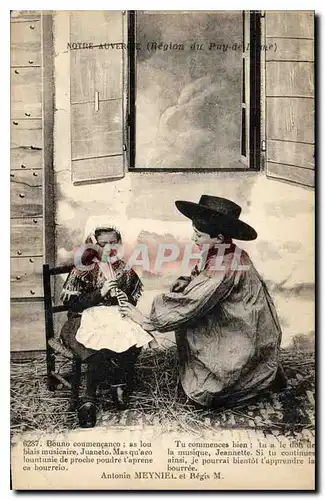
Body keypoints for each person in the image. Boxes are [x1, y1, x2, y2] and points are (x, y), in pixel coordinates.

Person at [120, 195, 286, 410]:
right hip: (242, 317)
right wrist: (188, 280)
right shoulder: (226, 251)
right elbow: (204, 280)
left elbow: (193, 302)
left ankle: (228, 389)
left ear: (217, 237)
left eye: (199, 235)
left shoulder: (224, 264)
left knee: (199, 387)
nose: (193, 239)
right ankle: (265, 378)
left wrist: (146, 321)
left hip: (242, 327)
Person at [59, 226, 144, 428]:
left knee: (136, 336)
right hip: (80, 320)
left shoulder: (124, 269)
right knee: (95, 351)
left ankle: (117, 382)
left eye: (113, 243)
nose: (109, 248)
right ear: (94, 245)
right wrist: (102, 292)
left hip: (111, 320)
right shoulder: (84, 267)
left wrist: (125, 299)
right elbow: (72, 304)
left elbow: (133, 298)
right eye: (103, 244)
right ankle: (88, 401)